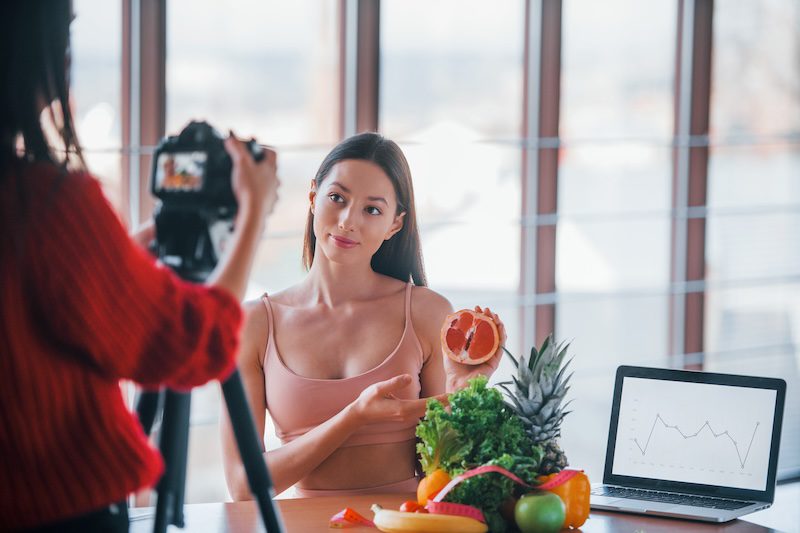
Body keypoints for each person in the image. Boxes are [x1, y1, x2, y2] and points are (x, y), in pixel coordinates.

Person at [0, 1, 279, 531]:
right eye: (62, 45)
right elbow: (194, 342)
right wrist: (252, 219)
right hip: (64, 514)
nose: (65, 64)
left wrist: (111, 261)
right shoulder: (49, 202)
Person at [221, 132, 506, 499]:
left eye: (372, 209)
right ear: (312, 197)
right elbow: (243, 486)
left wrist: (465, 391)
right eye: (337, 198)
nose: (347, 221)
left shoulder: (426, 313)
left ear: (395, 224)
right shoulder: (254, 325)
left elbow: (451, 476)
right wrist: (354, 417)